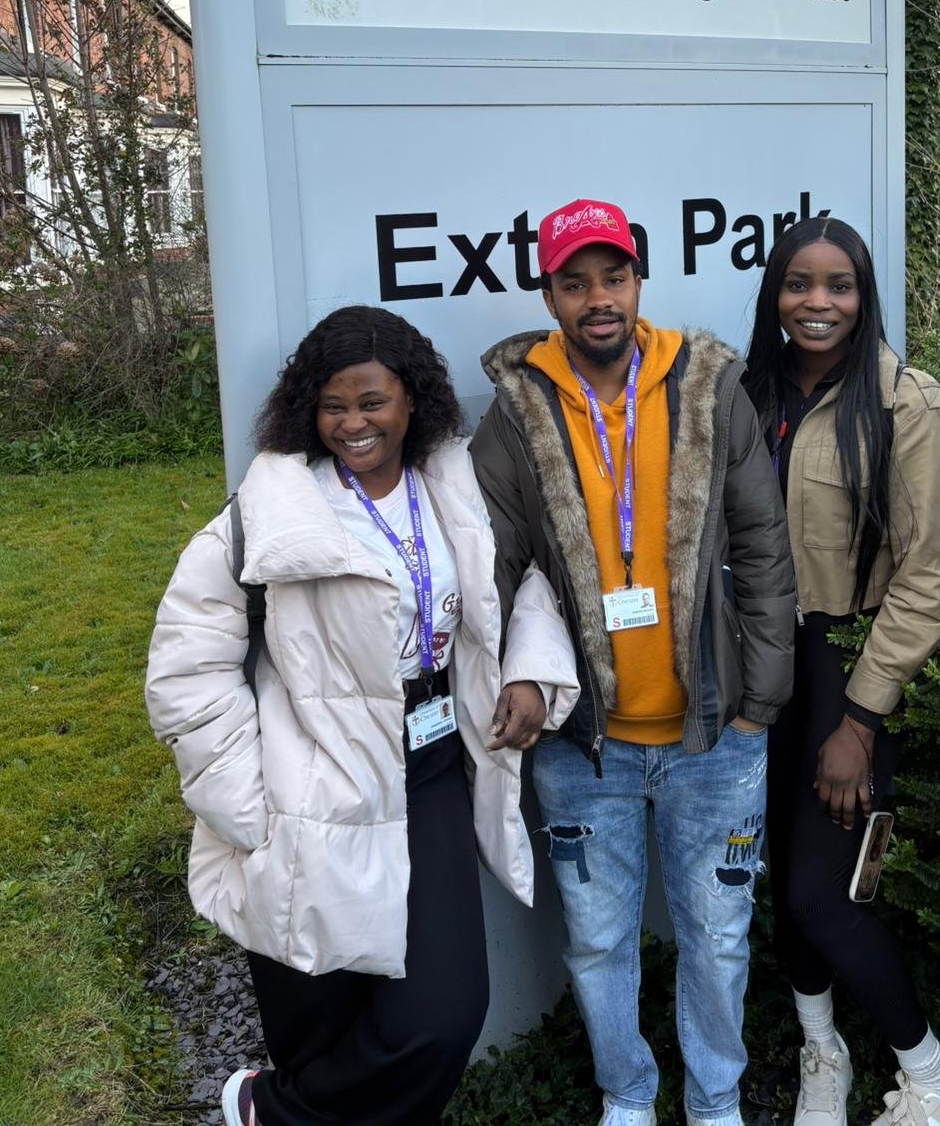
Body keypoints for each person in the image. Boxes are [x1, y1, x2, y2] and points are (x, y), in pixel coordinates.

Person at [146, 305, 578, 1126]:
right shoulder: (272, 512)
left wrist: (529, 670)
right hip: (311, 775)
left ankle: (266, 1111)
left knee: (442, 1015)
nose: (353, 423)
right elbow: (185, 667)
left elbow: (520, 582)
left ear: (412, 400)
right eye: (333, 405)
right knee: (318, 1010)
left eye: (372, 402)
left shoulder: (456, 487)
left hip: (433, 762)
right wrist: (245, 801)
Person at [470, 197, 796, 1126]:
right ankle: (628, 1094)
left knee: (718, 940)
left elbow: (762, 544)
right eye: (575, 284)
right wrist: (509, 680)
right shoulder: (516, 413)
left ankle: (717, 1099)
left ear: (638, 281)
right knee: (597, 942)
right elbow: (491, 568)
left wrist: (762, 697)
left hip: (713, 736)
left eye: (613, 278)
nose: (598, 299)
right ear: (550, 296)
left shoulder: (708, 389)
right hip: (585, 743)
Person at [743, 218, 940, 1126]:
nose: (818, 303)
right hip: (767, 669)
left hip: (851, 665)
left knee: (825, 894)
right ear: (775, 294)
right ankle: (822, 1053)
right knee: (783, 882)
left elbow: (937, 573)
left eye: (838, 285)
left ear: (864, 294)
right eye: (798, 284)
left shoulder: (906, 405)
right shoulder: (749, 394)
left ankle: (938, 1086)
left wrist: (861, 719)